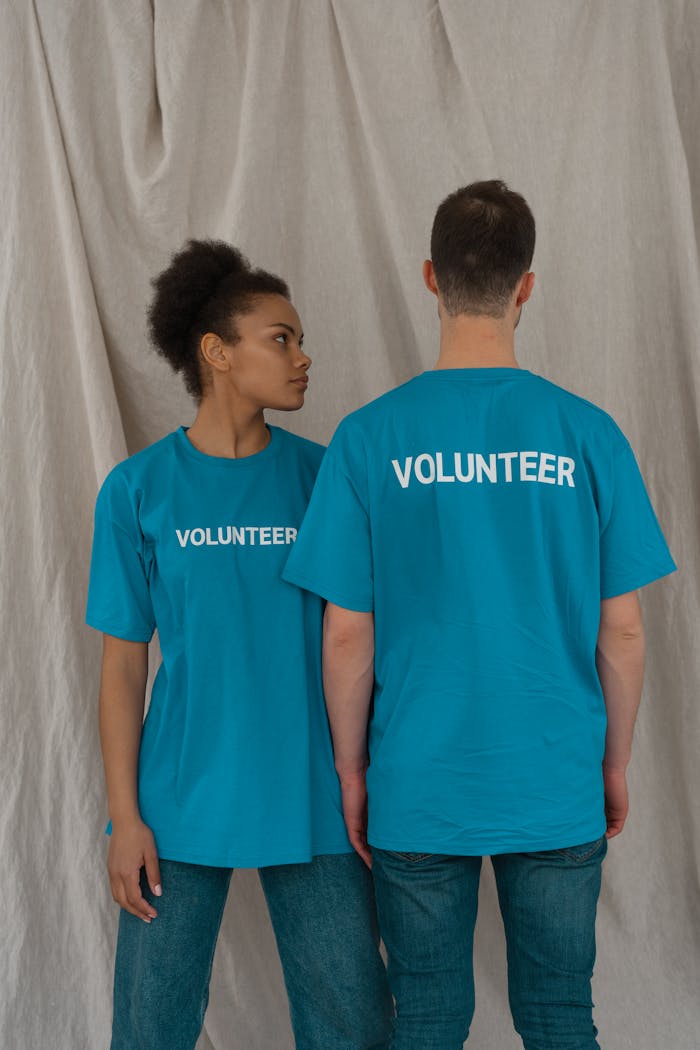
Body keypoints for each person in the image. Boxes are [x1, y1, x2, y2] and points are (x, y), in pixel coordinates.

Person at [282, 180, 677, 1049]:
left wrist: (351, 771)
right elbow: (623, 631)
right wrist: (614, 762)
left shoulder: (368, 438)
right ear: (526, 285)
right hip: (556, 774)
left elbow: (346, 633)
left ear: (431, 276)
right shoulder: (588, 434)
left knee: (427, 1018)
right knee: (560, 1016)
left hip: (418, 778)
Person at [86, 239, 392, 1050]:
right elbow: (122, 665)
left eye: (300, 340)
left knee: (354, 1028)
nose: (303, 357)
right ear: (217, 352)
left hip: (315, 792)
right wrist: (124, 818)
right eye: (280, 339)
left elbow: (368, 639)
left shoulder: (326, 479)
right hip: (178, 798)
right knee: (150, 1029)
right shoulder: (137, 489)